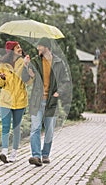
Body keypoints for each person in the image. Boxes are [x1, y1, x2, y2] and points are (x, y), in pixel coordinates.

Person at [22, 37, 71, 166]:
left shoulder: (59, 63)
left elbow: (66, 81)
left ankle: (45, 154)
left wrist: (58, 92)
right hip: (37, 101)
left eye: (40, 46)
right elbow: (26, 79)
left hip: (51, 101)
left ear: (47, 47)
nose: (38, 48)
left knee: (49, 130)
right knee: (35, 128)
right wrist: (25, 66)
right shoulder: (35, 61)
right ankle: (36, 156)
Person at [0, 41, 28, 163]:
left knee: (16, 128)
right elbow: (0, 84)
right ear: (11, 51)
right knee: (5, 126)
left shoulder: (23, 61)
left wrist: (26, 66)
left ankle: (14, 152)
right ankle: (4, 151)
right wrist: (2, 78)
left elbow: (27, 79)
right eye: (17, 47)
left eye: (20, 47)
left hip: (20, 99)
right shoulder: (3, 64)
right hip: (6, 100)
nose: (20, 49)